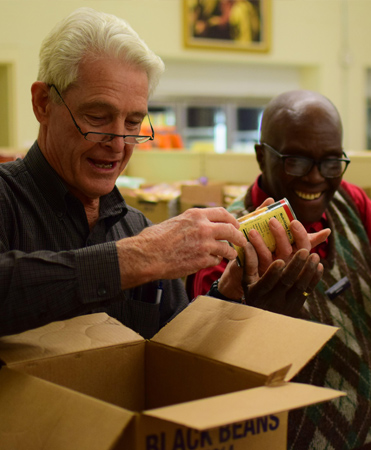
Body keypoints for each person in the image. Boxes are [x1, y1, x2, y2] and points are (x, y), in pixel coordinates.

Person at [0, 8, 327, 339]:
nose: (119, 143)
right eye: (97, 117)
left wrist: (231, 294)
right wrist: (136, 259)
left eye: (133, 123)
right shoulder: (6, 201)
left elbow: (174, 351)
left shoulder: (137, 227)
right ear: (42, 103)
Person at [189, 90, 371, 450]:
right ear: (261, 157)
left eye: (330, 162)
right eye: (296, 161)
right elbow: (203, 352)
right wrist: (248, 313)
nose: (315, 178)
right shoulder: (227, 238)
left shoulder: (350, 203)